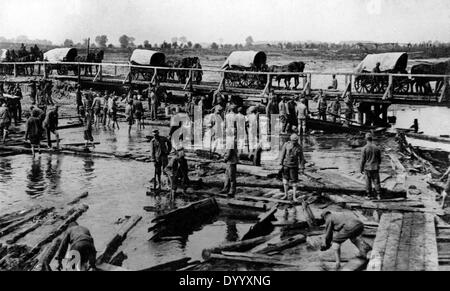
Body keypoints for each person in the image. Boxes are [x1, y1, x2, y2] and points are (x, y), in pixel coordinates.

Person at [279, 133, 306, 202]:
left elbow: (302, 158)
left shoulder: (299, 147)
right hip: (286, 166)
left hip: (294, 167)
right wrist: (280, 163)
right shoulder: (286, 144)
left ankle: (294, 197)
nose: (295, 142)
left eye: (296, 141)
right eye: (293, 140)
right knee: (285, 181)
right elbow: (282, 154)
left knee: (294, 182)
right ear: (290, 140)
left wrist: (302, 168)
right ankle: (286, 195)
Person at [360, 133, 382, 200]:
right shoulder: (377, 148)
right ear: (372, 139)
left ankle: (369, 195)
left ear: (366, 139)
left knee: (368, 181)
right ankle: (378, 195)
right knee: (376, 181)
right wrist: (378, 164)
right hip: (375, 167)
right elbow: (380, 159)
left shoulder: (364, 148)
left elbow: (362, 160)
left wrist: (361, 168)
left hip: (367, 167)